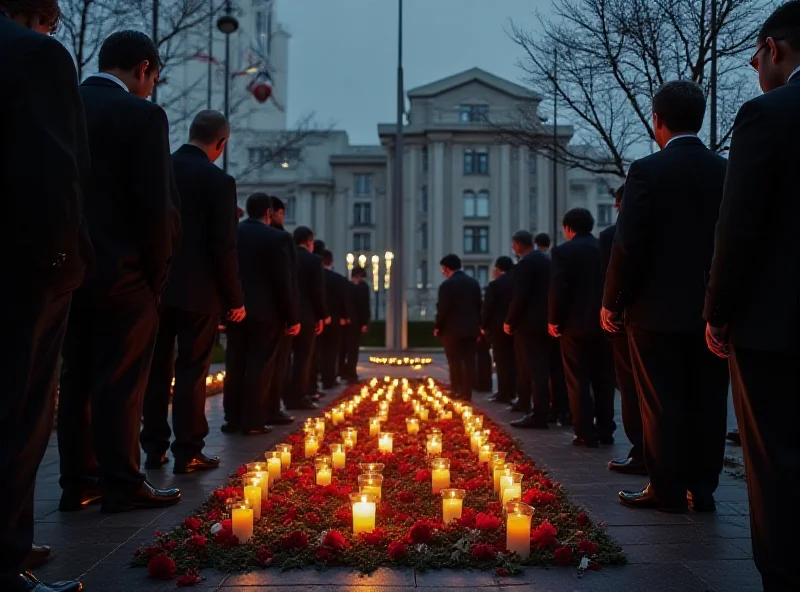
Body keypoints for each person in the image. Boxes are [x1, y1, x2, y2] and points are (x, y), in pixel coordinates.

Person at [57, 30, 182, 515]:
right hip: (125, 274)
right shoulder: (143, 115)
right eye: (154, 77)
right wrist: (157, 274)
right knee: (122, 384)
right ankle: (122, 482)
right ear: (145, 69)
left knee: (77, 378)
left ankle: (77, 483)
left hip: (67, 272)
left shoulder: (63, 105)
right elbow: (157, 208)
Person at [704, 4, 800, 589]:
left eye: (754, 55)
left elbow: (737, 227)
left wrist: (718, 312)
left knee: (780, 464)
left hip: (779, 325)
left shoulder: (769, 114)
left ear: (773, 48)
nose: (752, 65)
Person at [602, 80, 728, 513]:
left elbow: (628, 243)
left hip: (654, 312)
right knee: (709, 401)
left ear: (657, 121)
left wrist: (612, 301)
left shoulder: (647, 171)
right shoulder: (726, 170)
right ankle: (703, 488)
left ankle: (667, 488)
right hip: (711, 309)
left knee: (660, 403)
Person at [1, 2, 91, 590]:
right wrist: (66, 263)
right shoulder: (34, 55)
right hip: (21, 269)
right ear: (38, 15)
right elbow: (59, 170)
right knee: (19, 410)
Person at [140, 111, 243, 473]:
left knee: (155, 369)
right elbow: (223, 246)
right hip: (200, 294)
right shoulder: (219, 182)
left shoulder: (160, 168)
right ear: (221, 143)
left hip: (155, 287)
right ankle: (188, 449)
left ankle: (153, 447)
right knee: (191, 371)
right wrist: (235, 299)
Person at [222, 194, 300, 434]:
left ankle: (232, 418)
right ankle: (253, 421)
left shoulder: (232, 233)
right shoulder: (278, 238)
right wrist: (292, 317)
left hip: (236, 311)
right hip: (268, 315)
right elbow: (284, 281)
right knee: (260, 367)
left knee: (235, 364)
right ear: (268, 213)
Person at [549, 208, 616, 448]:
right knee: (604, 378)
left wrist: (553, 319)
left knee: (577, 379)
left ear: (568, 228)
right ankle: (606, 429)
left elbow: (559, 287)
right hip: (603, 323)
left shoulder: (563, 252)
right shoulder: (603, 247)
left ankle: (585, 432)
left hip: (573, 325)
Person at [601, 185, 646, 475]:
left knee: (631, 389)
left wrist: (610, 308)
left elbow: (612, 272)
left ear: (619, 205)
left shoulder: (612, 235)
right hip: (686, 318)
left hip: (630, 321)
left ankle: (642, 452)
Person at [505, 230, 551, 428]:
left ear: (517, 244)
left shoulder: (525, 264)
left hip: (529, 324)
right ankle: (547, 410)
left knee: (534, 369)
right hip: (546, 321)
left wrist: (510, 321)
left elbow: (520, 295)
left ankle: (539, 413)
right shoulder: (546, 260)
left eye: (513, 245)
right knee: (544, 368)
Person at [286, 226, 326, 410]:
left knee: (285, 359)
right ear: (309, 242)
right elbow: (317, 292)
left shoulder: (285, 256)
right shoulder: (314, 260)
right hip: (306, 315)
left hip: (285, 314)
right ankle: (298, 396)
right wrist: (322, 316)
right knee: (303, 359)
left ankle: (283, 396)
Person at [434, 254, 482, 400]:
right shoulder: (473, 283)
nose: (442, 272)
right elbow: (479, 306)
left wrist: (438, 326)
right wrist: (478, 327)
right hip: (470, 330)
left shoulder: (447, 285)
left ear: (447, 268)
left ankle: (455, 390)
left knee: (454, 361)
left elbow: (443, 309)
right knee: (469, 361)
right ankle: (467, 392)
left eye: (443, 268)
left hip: (451, 331)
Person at [481, 256, 516, 403]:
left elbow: (488, 308)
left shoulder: (495, 285)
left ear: (498, 269)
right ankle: (514, 391)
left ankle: (503, 392)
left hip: (498, 328)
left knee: (501, 361)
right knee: (514, 360)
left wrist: (483, 326)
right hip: (515, 326)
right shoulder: (517, 282)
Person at [319, 250, 351, 389]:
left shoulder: (317, 277)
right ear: (331, 262)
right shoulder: (339, 279)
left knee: (317, 351)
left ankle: (316, 379)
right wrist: (345, 316)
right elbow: (344, 299)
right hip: (335, 320)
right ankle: (329, 378)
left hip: (319, 318)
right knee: (332, 350)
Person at [342, 267, 371, 383]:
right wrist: (365, 322)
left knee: (345, 348)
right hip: (357, 322)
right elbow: (364, 306)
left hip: (347, 322)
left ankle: (345, 371)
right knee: (353, 349)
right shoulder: (363, 288)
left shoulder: (346, 287)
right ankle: (351, 374)